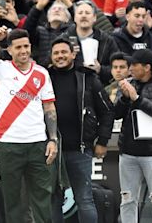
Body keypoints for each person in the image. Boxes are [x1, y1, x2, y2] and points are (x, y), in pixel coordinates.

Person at [0, 27, 58, 223]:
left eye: (26, 46)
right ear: (10, 50)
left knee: (42, 200)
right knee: (12, 201)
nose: (23, 51)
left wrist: (53, 139)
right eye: (18, 47)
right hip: (9, 145)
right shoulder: (1, 69)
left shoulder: (42, 73)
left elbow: (49, 108)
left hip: (38, 144)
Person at [48, 36, 115, 223]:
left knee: (85, 199)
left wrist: (102, 141)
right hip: (52, 152)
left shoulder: (88, 78)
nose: (60, 56)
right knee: (53, 200)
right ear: (51, 56)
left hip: (81, 149)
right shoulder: (44, 77)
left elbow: (108, 111)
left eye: (64, 52)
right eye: (56, 53)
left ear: (72, 54)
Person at [114, 49, 152, 223]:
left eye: (134, 64)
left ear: (147, 67)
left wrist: (136, 97)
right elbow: (116, 114)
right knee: (127, 199)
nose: (130, 68)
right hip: (128, 151)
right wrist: (124, 99)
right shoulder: (129, 83)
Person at [64, 0, 119, 85]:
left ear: (94, 18)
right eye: (80, 13)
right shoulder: (64, 39)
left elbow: (118, 67)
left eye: (87, 13)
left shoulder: (107, 40)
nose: (84, 16)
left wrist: (100, 69)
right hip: (71, 85)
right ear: (74, 17)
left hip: (99, 86)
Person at [23, 0, 75, 68]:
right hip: (44, 70)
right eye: (53, 9)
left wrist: (69, 5)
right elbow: (27, 30)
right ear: (48, 17)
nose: (56, 10)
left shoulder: (71, 30)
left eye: (61, 9)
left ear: (67, 18)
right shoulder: (40, 31)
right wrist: (38, 7)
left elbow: (79, 22)